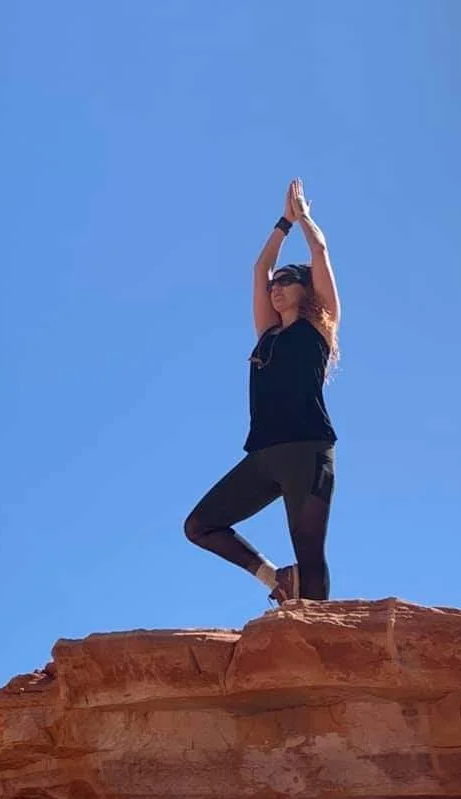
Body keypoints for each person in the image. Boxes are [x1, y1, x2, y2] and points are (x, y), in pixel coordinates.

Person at [184, 178, 340, 604]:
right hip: (265, 456)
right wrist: (281, 224)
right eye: (277, 283)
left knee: (310, 558)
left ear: (306, 291)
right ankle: (276, 582)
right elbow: (259, 270)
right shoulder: (266, 335)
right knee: (200, 525)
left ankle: (318, 635)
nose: (277, 286)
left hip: (308, 451)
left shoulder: (317, 328)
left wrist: (304, 219)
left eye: (288, 280)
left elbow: (320, 254)